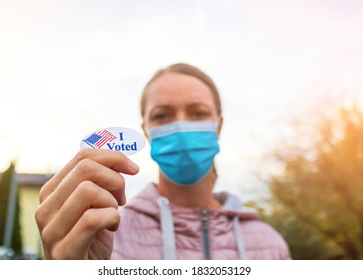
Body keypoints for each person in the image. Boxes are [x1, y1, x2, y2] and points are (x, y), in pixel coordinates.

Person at [35, 63, 291, 260]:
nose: (180, 126)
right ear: (146, 131)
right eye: (163, 115)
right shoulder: (105, 234)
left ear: (218, 126)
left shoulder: (270, 245)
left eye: (198, 113)